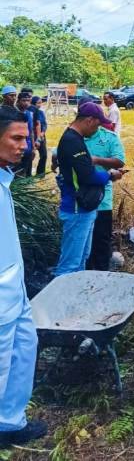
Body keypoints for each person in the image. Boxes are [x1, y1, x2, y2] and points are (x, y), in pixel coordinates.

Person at [0, 106, 47, 448]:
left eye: (26, 138)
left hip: (15, 289)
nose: (25, 146)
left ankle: (10, 422)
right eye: (16, 138)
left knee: (23, 351)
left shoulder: (4, 178)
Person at [53, 103, 125, 277]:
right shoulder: (72, 141)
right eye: (97, 125)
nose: (97, 129)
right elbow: (88, 176)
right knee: (70, 264)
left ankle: (76, 289)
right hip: (76, 208)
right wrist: (110, 175)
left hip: (83, 209)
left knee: (81, 258)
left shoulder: (75, 138)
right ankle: (62, 291)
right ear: (89, 120)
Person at [83, 124, 126, 271]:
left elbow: (119, 160)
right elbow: (57, 154)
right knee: (84, 244)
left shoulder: (108, 137)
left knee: (101, 241)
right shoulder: (74, 136)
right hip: (79, 200)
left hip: (102, 200)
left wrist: (97, 160)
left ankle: (101, 274)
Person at [13, 92, 39, 178]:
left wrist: (33, 148)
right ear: (18, 101)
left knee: (24, 169)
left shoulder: (29, 114)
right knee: (15, 170)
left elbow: (31, 131)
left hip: (27, 145)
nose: (26, 103)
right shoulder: (13, 113)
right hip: (15, 146)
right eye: (24, 100)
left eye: (28, 101)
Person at [30, 97, 47, 176]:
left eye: (41, 103)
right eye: (38, 103)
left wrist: (42, 133)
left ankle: (40, 173)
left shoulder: (41, 112)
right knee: (30, 156)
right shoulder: (29, 112)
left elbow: (44, 124)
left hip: (41, 137)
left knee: (44, 155)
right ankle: (28, 174)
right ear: (33, 103)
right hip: (32, 137)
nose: (40, 105)